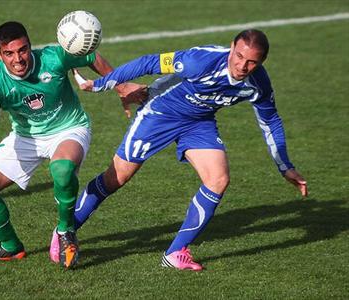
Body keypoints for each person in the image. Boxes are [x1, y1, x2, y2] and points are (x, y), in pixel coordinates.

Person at [49, 29, 308, 271]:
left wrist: (285, 166)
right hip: (160, 112)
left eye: (252, 62)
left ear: (261, 62)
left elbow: (270, 121)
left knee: (218, 179)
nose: (242, 66)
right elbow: (150, 62)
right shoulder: (200, 61)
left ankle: (175, 253)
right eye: (239, 56)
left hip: (199, 122)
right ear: (232, 48)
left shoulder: (258, 84)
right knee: (117, 177)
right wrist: (102, 84)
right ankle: (65, 230)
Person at [0, 21, 145, 269]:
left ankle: (66, 231)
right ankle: (10, 247)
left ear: (30, 46)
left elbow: (91, 56)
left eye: (23, 50)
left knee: (62, 168)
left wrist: (120, 86)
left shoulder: (53, 57)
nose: (18, 59)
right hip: (26, 136)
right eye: (9, 53)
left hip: (69, 128)